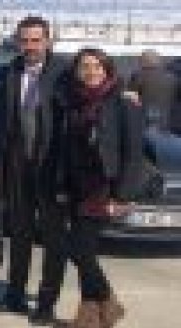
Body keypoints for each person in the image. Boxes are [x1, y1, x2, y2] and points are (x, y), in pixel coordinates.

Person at [54, 48, 139, 328]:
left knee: (79, 250)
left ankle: (108, 301)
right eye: (85, 66)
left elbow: (133, 153)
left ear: (107, 70)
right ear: (77, 71)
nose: (91, 71)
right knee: (84, 250)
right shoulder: (73, 101)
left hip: (102, 187)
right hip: (77, 186)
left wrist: (121, 196)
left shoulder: (123, 103)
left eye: (97, 66)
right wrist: (62, 183)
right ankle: (91, 316)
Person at [0, 16, 68, 324]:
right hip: (17, 167)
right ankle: (15, 293)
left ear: (48, 41)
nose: (30, 46)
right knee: (20, 234)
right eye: (24, 40)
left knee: (54, 240)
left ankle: (46, 303)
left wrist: (128, 96)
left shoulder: (64, 74)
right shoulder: (10, 72)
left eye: (36, 40)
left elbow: (96, 90)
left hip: (52, 169)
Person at [127, 49, 177, 129]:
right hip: (167, 121)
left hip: (145, 120)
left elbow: (130, 99)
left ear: (142, 61)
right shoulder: (172, 78)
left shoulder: (137, 77)